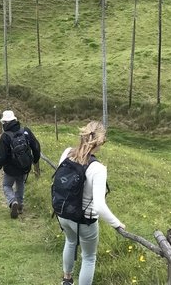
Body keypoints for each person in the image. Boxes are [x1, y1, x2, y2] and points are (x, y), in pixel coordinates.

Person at [57, 120, 125, 285]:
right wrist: (118, 224)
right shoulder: (98, 169)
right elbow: (99, 206)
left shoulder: (67, 153)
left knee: (70, 241)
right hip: (85, 220)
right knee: (88, 257)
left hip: (63, 212)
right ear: (100, 142)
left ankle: (67, 280)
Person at [0, 110, 40, 218]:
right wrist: (35, 160)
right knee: (20, 183)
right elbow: (36, 146)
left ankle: (12, 201)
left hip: (11, 168)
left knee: (7, 185)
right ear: (15, 120)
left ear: (4, 122)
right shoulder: (25, 131)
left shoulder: (5, 136)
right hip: (25, 166)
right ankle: (20, 205)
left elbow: (1, 156)